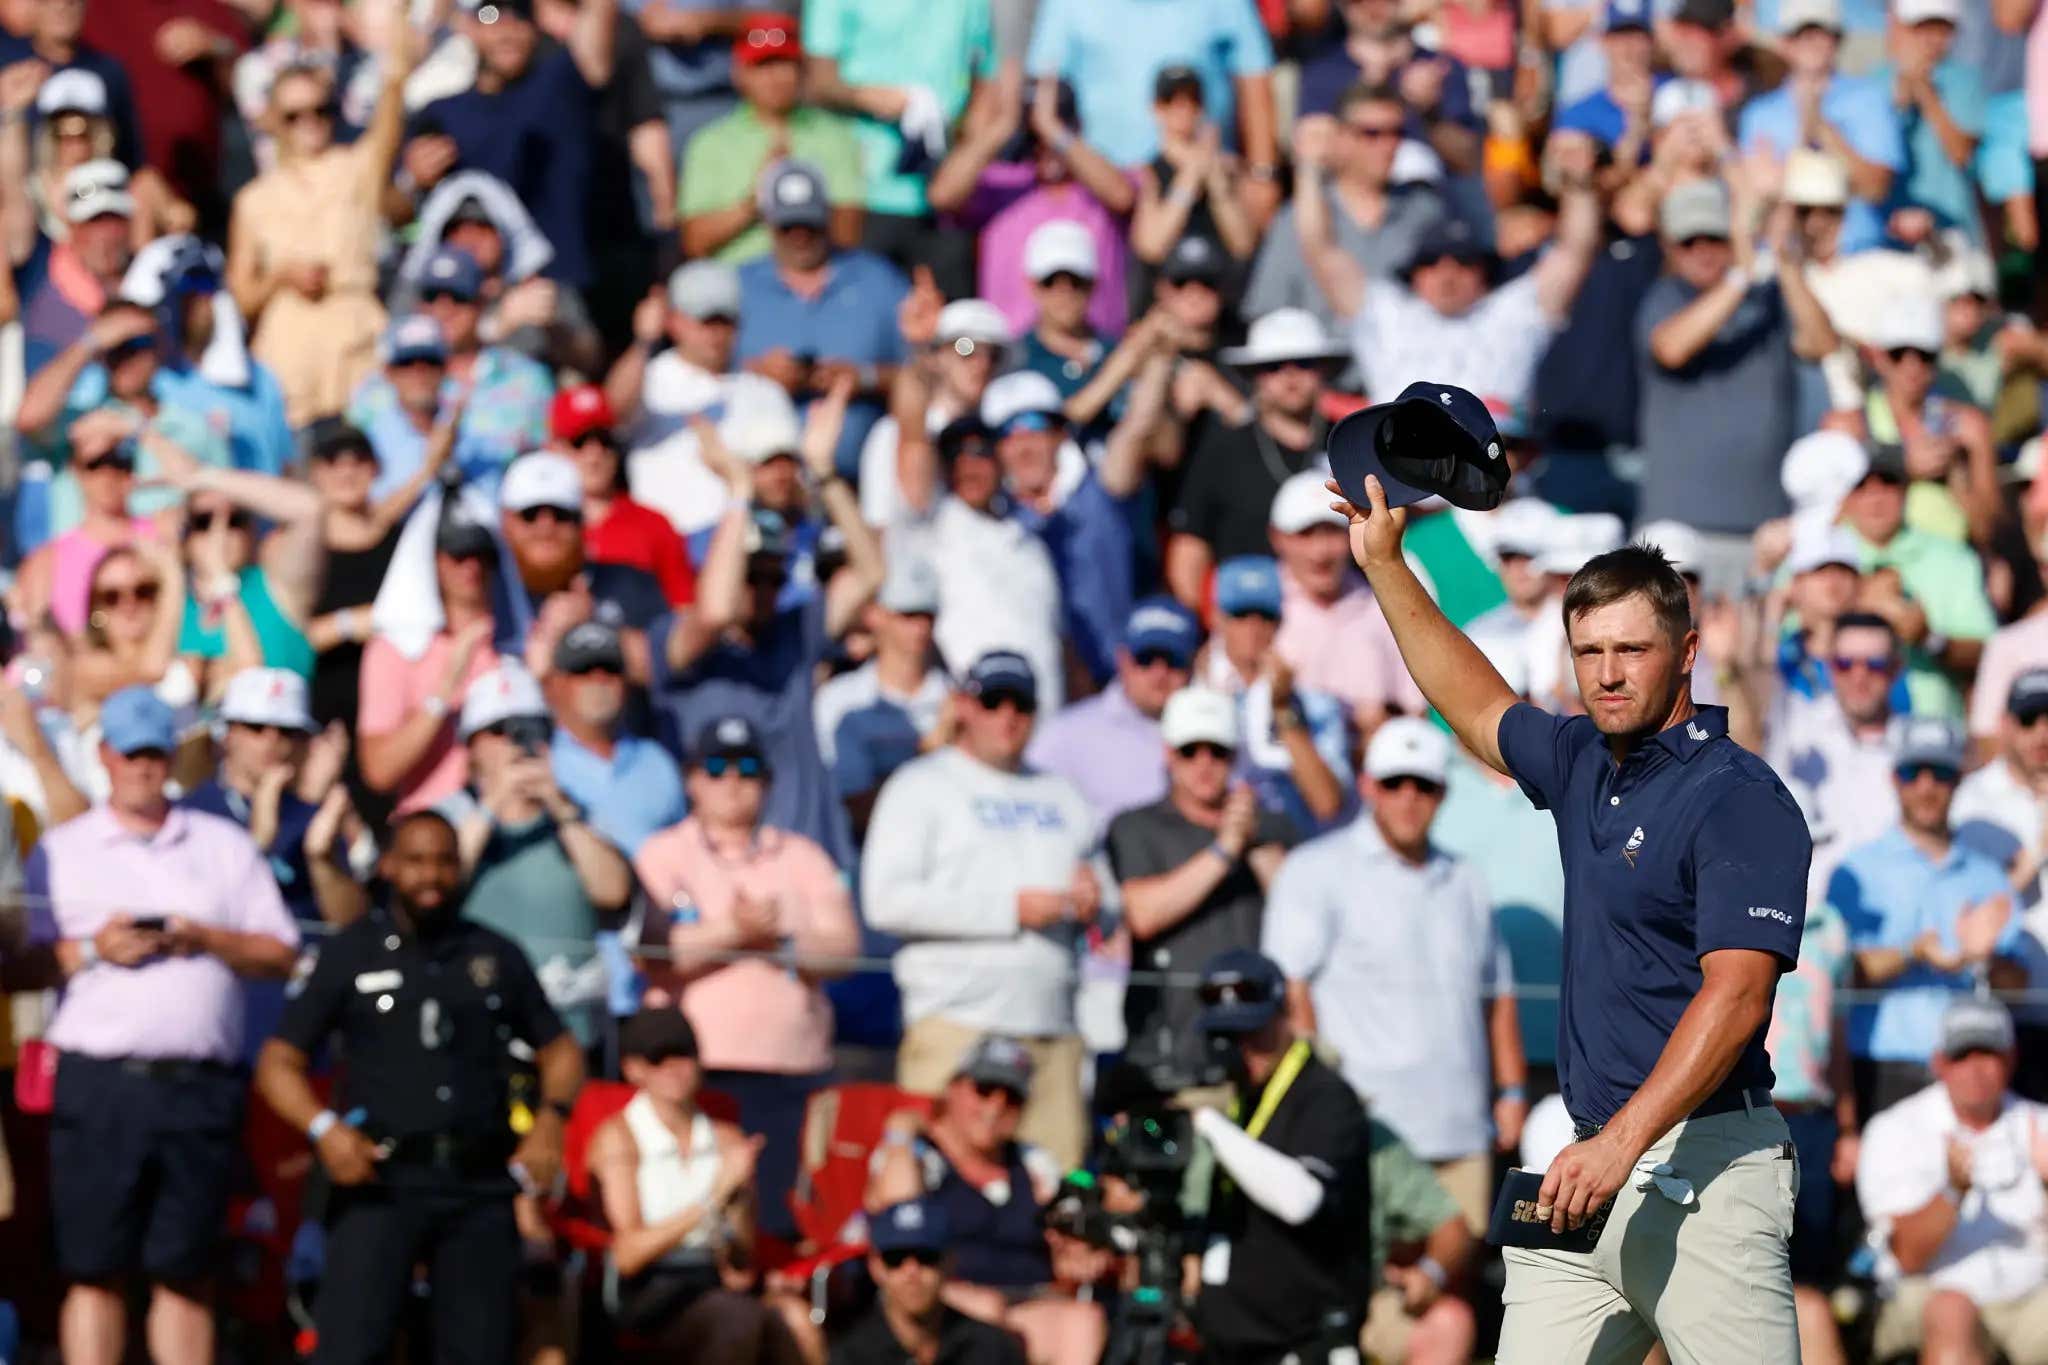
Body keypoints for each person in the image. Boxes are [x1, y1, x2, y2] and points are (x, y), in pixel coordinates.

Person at [1329, 471, 1812, 1359]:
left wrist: (1622, 1144)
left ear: (1689, 648)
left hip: (1704, 1167)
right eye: (1589, 652)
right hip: (1586, 1170)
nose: (1609, 673)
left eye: (1631, 649)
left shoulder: (1739, 798)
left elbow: (1740, 998)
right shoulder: (1585, 755)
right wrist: (1388, 564)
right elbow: (1473, 705)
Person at [23, 685, 299, 1365]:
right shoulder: (63, 850)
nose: (144, 769)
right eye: (131, 755)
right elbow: (20, 964)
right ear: (104, 755)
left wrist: (204, 938)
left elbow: (281, 950)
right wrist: (95, 948)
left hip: (196, 1086)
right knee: (94, 1268)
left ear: (172, 756)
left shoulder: (222, 844)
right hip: (101, 1085)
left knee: (187, 1270)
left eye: (155, 754)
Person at [253, 808, 585, 1365]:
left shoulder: (493, 954)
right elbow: (278, 1061)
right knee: (353, 1348)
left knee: (479, 1350)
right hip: (378, 1179)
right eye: (416, 861)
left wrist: (551, 1117)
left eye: (444, 862)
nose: (431, 876)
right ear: (388, 866)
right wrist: (323, 1129)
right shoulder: (350, 952)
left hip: (477, 1184)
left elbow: (561, 1048)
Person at [1264, 717, 1525, 1235]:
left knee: (1457, 1284)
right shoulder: (1315, 869)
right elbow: (1290, 990)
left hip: (1460, 1129)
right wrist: (1317, 1097)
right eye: (1393, 783)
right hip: (1364, 1132)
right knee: (1369, 1289)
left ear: (1443, 793)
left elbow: (1498, 996)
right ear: (1367, 786)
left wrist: (1512, 1091)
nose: (1409, 798)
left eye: (1424, 785)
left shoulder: (1466, 878)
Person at [861, 651, 1106, 1169]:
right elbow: (885, 902)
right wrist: (1009, 910)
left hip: (1052, 1035)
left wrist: (1096, 897)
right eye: (993, 701)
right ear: (964, 707)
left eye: (1022, 704)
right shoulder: (920, 786)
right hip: (957, 1027)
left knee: (1060, 1196)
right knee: (941, 1190)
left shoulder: (1061, 794)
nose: (1008, 716)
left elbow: (1109, 901)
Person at [634, 714, 860, 1236]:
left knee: (783, 1220)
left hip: (792, 1074)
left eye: (747, 768)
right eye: (716, 767)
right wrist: (733, 931)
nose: (732, 781)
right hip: (694, 1074)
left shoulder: (803, 855)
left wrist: (779, 941)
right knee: (701, 1217)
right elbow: (650, 950)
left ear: (766, 781)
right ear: (692, 779)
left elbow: (846, 951)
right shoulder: (663, 853)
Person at [655, 380, 883, 866]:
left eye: (774, 575)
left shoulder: (794, 632)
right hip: (723, 878)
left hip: (812, 868)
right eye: (750, 574)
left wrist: (823, 474)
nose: (764, 589)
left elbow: (871, 572)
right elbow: (715, 611)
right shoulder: (681, 647)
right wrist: (739, 491)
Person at [585, 1010, 817, 1363]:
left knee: (797, 1321)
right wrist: (713, 1199)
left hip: (713, 1281)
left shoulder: (725, 1139)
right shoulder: (621, 1137)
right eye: (659, 1058)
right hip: (651, 1288)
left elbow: (741, 1261)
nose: (675, 1068)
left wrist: (740, 1198)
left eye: (685, 1054)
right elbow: (628, 1254)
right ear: (634, 1069)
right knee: (734, 1320)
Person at [865, 1035, 1104, 1365]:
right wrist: (901, 1133)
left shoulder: (1034, 1163)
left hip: (1025, 1295)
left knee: (1081, 1321)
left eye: (1012, 1099)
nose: (995, 1107)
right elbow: (898, 1214)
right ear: (954, 1090)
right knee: (986, 1316)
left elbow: (1067, 1234)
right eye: (985, 1090)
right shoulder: (920, 1155)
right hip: (942, 1296)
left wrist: (1078, 1251)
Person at [1829, 716, 2024, 1115]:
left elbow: (2019, 985)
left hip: (1968, 1071)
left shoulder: (1988, 876)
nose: (1926, 786)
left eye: (1940, 773)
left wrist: (1984, 957)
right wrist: (1914, 953)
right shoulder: (1856, 872)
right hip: (1880, 1067)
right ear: (1894, 779)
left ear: (1958, 781)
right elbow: (1838, 975)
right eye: (1912, 772)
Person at [1186, 949, 1373, 1363]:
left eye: (1256, 1033)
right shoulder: (1236, 1097)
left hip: (1304, 1346)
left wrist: (1211, 1126)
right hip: (1230, 1343)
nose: (1244, 1050)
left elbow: (1301, 1200)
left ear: (1285, 1014)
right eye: (1229, 1038)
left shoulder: (1326, 1097)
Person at [224, 16, 410, 426]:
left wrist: (397, 62)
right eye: (294, 114)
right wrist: (281, 277)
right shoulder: (253, 200)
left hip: (357, 340)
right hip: (290, 350)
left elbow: (389, 120)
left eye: (319, 110)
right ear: (274, 121)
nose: (309, 122)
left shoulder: (357, 168)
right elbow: (240, 298)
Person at [442, 661, 634, 1053]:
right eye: (499, 731)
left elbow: (613, 892)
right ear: (471, 749)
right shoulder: (450, 817)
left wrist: (558, 807)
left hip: (573, 1033)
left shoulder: (578, 813)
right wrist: (493, 803)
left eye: (531, 729)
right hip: (479, 1034)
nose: (516, 743)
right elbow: (437, 884)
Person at [1109, 686, 1297, 1074]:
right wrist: (1225, 849)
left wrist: (1255, 844)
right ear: (1168, 754)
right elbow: (1143, 915)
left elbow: (1299, 921)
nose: (1204, 764)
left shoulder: (1271, 828)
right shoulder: (1136, 827)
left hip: (1259, 1051)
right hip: (1171, 1051)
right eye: (1189, 751)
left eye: (1218, 751)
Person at [1855, 996, 2048, 1363]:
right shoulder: (1895, 1129)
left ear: (2010, 1059)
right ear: (1940, 1063)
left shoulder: (2040, 1123)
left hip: (2031, 1294)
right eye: (1962, 1055)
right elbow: (1907, 1256)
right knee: (1952, 1311)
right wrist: (1953, 1192)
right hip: (1931, 1291)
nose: (1975, 1068)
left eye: (1987, 1054)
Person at [407, 0, 616, 295]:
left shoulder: (560, 86)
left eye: (520, 15)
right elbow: (393, 208)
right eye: (490, 15)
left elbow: (596, 50)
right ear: (468, 27)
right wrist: (413, 180)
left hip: (551, 287)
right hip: (464, 292)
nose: (507, 29)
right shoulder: (439, 113)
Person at [734, 160, 908, 477]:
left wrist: (865, 378)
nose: (800, 237)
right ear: (767, 222)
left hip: (860, 480)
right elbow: (694, 377)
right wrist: (760, 374)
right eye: (788, 226)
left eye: (809, 225)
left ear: (827, 218)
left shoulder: (879, 280)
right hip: (762, 484)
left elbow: (931, 370)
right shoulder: (738, 286)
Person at [1166, 308, 1348, 608]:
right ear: (1255, 375)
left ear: (1324, 369)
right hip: (1250, 625)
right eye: (1274, 366)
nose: (1289, 376)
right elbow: (1189, 553)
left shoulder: (1350, 444)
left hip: (1344, 620)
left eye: (1304, 363)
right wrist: (1219, 632)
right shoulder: (1222, 451)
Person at [1244, 80, 1448, 340]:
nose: (1388, 146)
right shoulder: (1295, 219)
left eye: (1397, 133)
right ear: (1339, 138)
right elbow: (1269, 316)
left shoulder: (1425, 213)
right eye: (1372, 134)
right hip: (1322, 373)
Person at [346, 248, 553, 493]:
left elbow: (547, 461)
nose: (444, 310)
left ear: (481, 301)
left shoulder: (527, 379)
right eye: (432, 297)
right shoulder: (379, 384)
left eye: (458, 297)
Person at [180, 666, 363, 932]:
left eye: (287, 730)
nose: (272, 740)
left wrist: (321, 860)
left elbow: (353, 925)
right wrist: (258, 843)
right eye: (256, 727)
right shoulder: (190, 813)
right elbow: (194, 910)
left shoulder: (313, 818)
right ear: (227, 734)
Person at [677, 11, 863, 265]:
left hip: (817, 276)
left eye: (783, 63)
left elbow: (848, 236)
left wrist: (799, 198)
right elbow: (694, 242)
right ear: (740, 74)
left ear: (801, 70)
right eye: (762, 65)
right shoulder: (711, 142)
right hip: (737, 281)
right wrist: (755, 202)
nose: (775, 77)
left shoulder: (834, 135)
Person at [1268, 469, 1425, 734]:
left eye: (1331, 533)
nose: (1320, 552)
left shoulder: (1383, 606)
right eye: (1305, 534)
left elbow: (1415, 711)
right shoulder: (1257, 606)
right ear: (1277, 538)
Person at [1026, 596, 1200, 829]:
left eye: (1173, 660)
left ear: (1192, 664)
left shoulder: (1220, 734)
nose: (1160, 674)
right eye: (1145, 659)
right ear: (1123, 660)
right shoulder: (1066, 734)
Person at [611, 259, 749, 543]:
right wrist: (643, 343)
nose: (715, 333)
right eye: (704, 320)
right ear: (673, 321)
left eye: (724, 321)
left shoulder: (759, 388)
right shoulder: (650, 379)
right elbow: (610, 411)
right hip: (668, 543)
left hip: (745, 544)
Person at [813, 557, 951, 839]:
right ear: (874, 615)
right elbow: (848, 804)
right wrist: (929, 751)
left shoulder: (958, 699)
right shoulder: (838, 700)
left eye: (928, 615)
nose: (920, 628)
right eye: (907, 615)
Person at [547, 384, 696, 608]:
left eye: (605, 440)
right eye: (579, 441)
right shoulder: (536, 525)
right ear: (554, 448)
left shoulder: (654, 525)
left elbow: (683, 611)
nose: (594, 454)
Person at [831, 1197, 1027, 1364]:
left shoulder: (990, 1349)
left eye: (926, 1256)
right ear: (875, 1266)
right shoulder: (852, 1356)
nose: (911, 1271)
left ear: (949, 1262)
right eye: (896, 1258)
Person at [1361, 1118, 1483, 1365]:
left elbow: (1451, 1225)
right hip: (1280, 1306)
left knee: (1449, 1325)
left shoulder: (1371, 1136)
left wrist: (1427, 1274)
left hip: (1365, 1298)